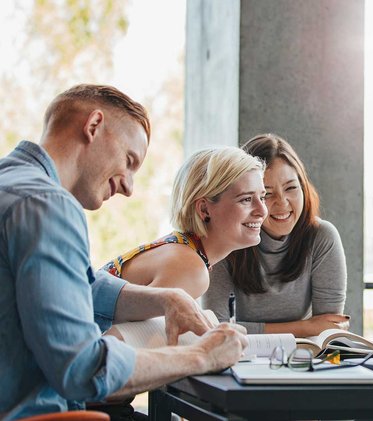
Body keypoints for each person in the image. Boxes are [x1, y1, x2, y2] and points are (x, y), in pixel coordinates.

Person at [0, 84, 249, 420]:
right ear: (93, 127)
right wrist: (203, 356)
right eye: (129, 161)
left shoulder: (13, 185)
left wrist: (167, 299)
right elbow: (83, 368)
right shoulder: (48, 205)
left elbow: (81, 287)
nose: (129, 187)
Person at [203, 133, 349, 336]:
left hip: (304, 357)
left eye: (291, 188)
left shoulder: (322, 237)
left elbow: (328, 328)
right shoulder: (226, 239)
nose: (282, 203)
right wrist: (304, 327)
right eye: (267, 194)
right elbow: (215, 328)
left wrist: (312, 329)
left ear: (304, 188)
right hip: (241, 357)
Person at [102, 146, 268, 299]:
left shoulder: (185, 251)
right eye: (246, 199)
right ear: (204, 209)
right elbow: (118, 331)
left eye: (262, 197)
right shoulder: (190, 269)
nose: (262, 211)